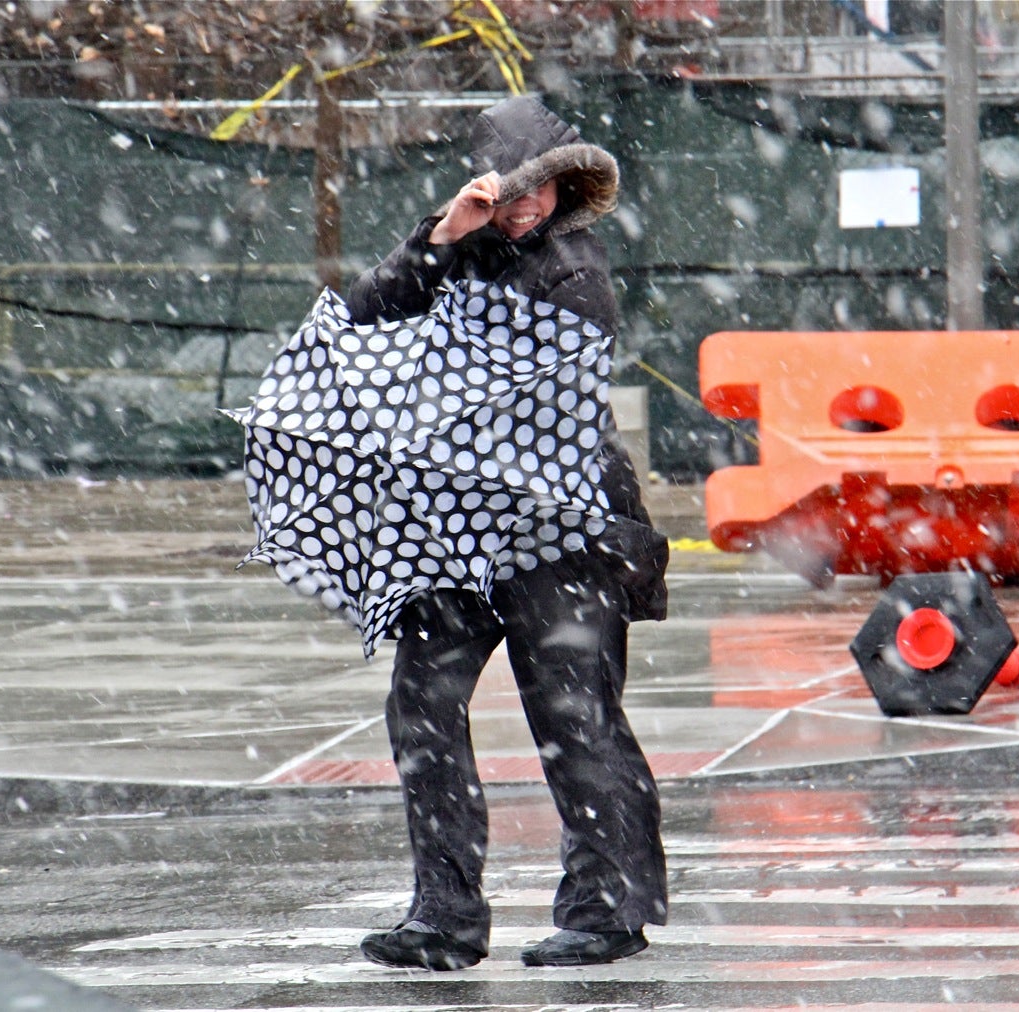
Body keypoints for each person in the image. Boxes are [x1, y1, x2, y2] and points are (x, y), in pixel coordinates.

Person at [345, 95, 669, 970]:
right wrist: (441, 236)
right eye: (511, 191)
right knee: (420, 704)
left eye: (542, 189)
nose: (527, 206)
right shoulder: (455, 247)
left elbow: (532, 394)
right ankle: (444, 916)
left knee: (576, 716)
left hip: (560, 525)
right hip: (453, 523)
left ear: (566, 184)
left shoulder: (575, 269)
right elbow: (363, 316)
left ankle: (609, 910)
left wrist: (430, 381)